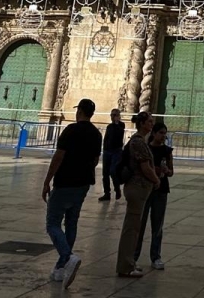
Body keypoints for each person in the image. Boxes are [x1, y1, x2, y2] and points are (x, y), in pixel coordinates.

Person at [41, 98, 102, 290]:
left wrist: (47, 180)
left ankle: (68, 257)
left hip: (65, 182)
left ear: (79, 112)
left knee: (52, 223)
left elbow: (58, 157)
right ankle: (60, 267)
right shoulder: (96, 134)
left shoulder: (70, 130)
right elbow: (94, 160)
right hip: (82, 184)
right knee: (72, 222)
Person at [115, 111, 159, 278]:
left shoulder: (141, 141)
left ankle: (129, 263)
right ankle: (125, 266)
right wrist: (156, 180)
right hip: (136, 187)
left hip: (138, 188)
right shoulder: (138, 142)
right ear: (141, 124)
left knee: (134, 227)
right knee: (131, 229)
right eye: (149, 122)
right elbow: (145, 167)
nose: (151, 125)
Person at [133, 120, 173, 271]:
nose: (163, 136)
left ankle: (155, 256)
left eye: (165, 133)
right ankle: (134, 256)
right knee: (140, 224)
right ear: (154, 133)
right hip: (147, 189)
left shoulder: (167, 151)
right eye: (161, 133)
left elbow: (171, 171)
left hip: (161, 190)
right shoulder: (146, 148)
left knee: (158, 225)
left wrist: (166, 171)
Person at [100, 108, 124, 201]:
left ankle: (117, 189)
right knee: (105, 173)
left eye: (114, 115)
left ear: (118, 116)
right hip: (107, 151)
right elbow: (106, 138)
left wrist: (116, 122)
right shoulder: (109, 126)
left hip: (116, 151)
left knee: (113, 171)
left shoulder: (121, 125)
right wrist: (104, 148)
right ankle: (107, 193)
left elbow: (119, 133)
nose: (112, 117)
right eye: (111, 115)